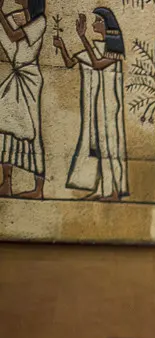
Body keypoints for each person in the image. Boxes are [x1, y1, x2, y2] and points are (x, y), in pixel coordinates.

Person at [56, 7, 128, 201]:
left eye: (97, 20)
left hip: (109, 105)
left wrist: (82, 37)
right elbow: (71, 63)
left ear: (106, 25)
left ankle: (115, 191)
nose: (94, 24)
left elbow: (97, 64)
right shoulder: (97, 48)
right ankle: (103, 189)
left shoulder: (114, 50)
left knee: (110, 147)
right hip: (98, 104)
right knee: (99, 147)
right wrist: (62, 46)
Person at [0, 0, 47, 199]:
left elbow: (13, 35)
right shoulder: (19, 16)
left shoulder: (40, 21)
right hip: (17, 73)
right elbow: (7, 39)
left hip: (30, 78)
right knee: (5, 127)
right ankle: (7, 183)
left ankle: (39, 188)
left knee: (34, 132)